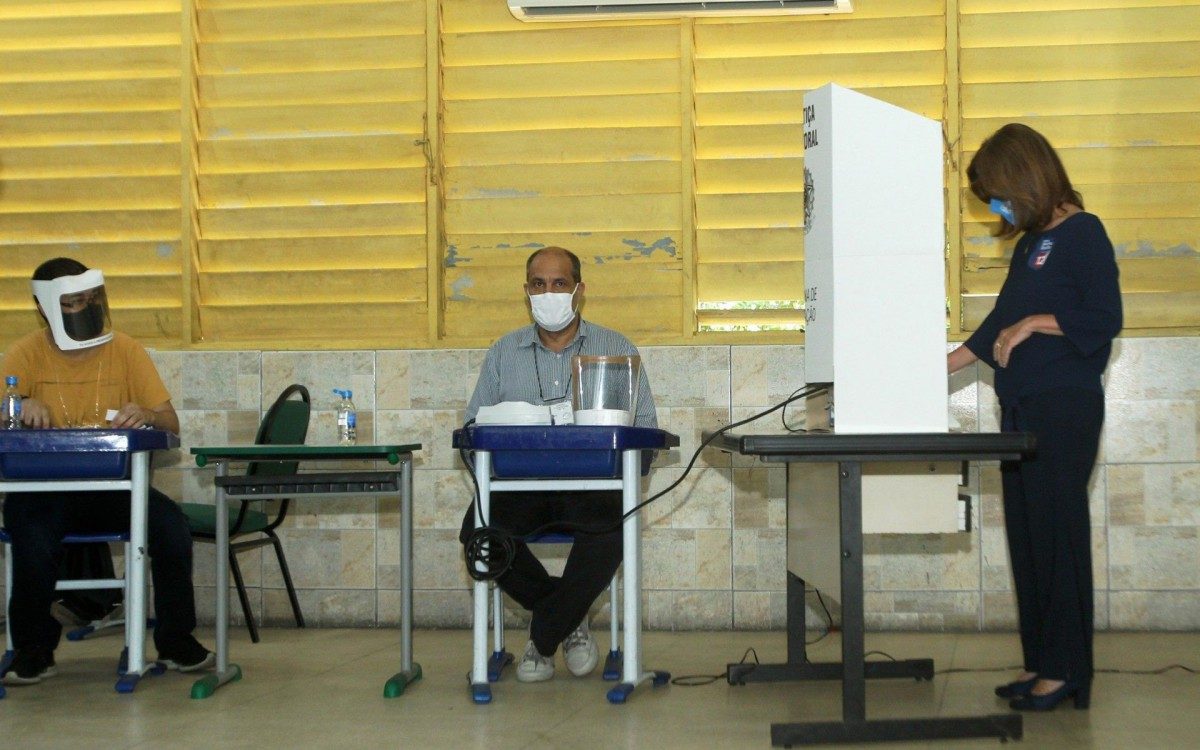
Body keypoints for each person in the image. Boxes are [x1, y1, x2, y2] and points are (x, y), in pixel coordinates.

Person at [948, 124, 1122, 712]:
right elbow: (998, 323)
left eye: (999, 197)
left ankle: (1067, 670)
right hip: (1021, 407)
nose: (998, 210)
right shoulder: (1029, 246)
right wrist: (933, 368)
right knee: (1027, 537)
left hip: (1063, 408)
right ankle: (1041, 659)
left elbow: (1105, 317)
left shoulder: (1083, 233)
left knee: (1058, 534)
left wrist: (1036, 324)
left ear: (1024, 178)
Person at [1, 257, 213, 686]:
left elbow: (170, 423)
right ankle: (33, 649)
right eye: (72, 303)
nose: (84, 309)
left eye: (89, 299)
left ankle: (175, 641)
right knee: (31, 535)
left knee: (170, 528)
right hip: (44, 491)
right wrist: (17, 406)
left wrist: (146, 415)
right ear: (45, 308)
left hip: (115, 490)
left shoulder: (126, 350)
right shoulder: (26, 353)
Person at [460, 246, 657, 683]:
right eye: (538, 284)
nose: (548, 292)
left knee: (616, 525)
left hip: (593, 485)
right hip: (518, 484)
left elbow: (645, 428)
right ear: (526, 291)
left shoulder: (615, 348)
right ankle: (568, 615)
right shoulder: (503, 352)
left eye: (559, 283)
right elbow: (473, 429)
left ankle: (546, 630)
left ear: (579, 290)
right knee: (478, 532)